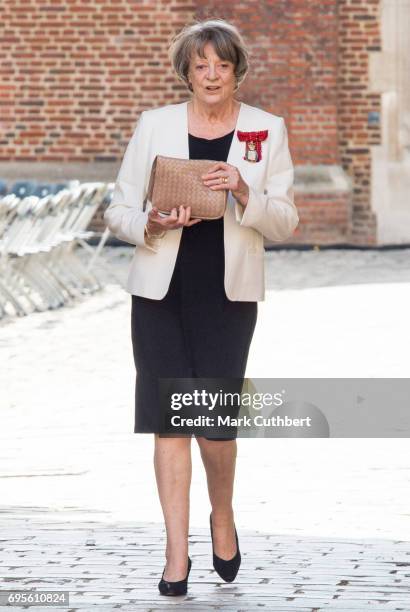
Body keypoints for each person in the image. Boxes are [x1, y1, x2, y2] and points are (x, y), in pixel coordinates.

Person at [103, 18, 299, 596]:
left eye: (221, 64)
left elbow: (286, 220)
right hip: (159, 292)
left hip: (227, 296)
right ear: (186, 73)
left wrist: (243, 189)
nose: (211, 75)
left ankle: (221, 515)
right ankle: (174, 554)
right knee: (170, 421)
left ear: (237, 70)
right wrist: (152, 223)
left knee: (213, 426)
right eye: (200, 66)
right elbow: (118, 210)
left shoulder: (268, 129)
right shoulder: (155, 125)